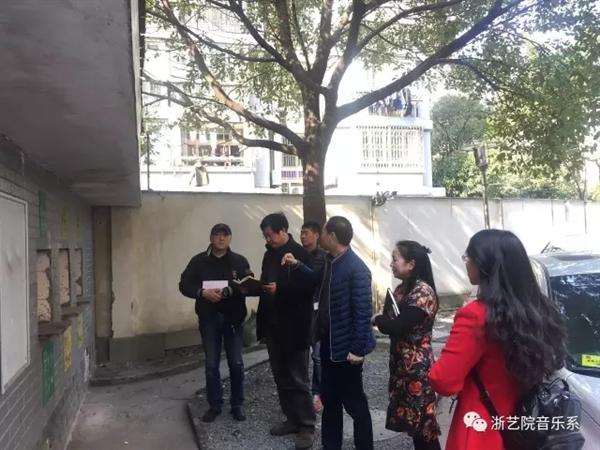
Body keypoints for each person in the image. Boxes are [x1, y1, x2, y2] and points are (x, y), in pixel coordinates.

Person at [429, 230, 567, 450]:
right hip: (525, 428)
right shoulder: (541, 309)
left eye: (467, 257)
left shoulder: (475, 315)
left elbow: (443, 381)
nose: (466, 263)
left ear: (483, 264)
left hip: (481, 430)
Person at [283, 216, 376, 450]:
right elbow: (315, 279)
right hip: (328, 344)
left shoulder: (356, 269)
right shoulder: (329, 261)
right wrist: (297, 265)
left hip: (346, 352)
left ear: (332, 236)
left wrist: (358, 349)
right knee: (330, 401)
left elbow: (363, 313)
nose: (320, 235)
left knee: (355, 405)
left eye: (323, 232)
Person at [178, 223, 251, 423]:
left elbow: (248, 284)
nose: (221, 238)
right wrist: (202, 292)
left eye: (225, 235)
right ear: (211, 238)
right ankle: (215, 405)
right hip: (209, 319)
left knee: (236, 363)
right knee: (211, 364)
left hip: (233, 319)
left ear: (230, 238)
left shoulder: (239, 261)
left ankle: (237, 404)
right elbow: (184, 284)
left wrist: (231, 290)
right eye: (217, 235)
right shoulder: (198, 261)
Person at [372, 241, 441, 450]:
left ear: (411, 264)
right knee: (414, 426)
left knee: (424, 428)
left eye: (395, 259)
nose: (391, 264)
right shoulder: (401, 289)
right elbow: (390, 320)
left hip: (417, 369)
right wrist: (384, 320)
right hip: (401, 365)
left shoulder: (423, 292)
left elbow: (397, 325)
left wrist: (378, 319)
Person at [256, 213, 316, 450]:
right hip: (273, 326)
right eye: (265, 236)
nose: (268, 240)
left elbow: (308, 289)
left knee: (298, 378)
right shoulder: (269, 254)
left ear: (283, 231)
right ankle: (291, 418)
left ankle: (307, 425)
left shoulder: (300, 254)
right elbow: (266, 282)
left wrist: (279, 290)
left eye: (270, 235)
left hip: (295, 326)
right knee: (280, 377)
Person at [300, 221, 327, 413]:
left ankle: (319, 392)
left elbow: (314, 278)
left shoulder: (323, 258)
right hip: (299, 311)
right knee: (301, 356)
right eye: (301, 233)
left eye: (307, 233)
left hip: (317, 312)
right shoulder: (297, 254)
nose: (303, 236)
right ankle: (302, 393)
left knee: (317, 355)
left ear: (317, 235)